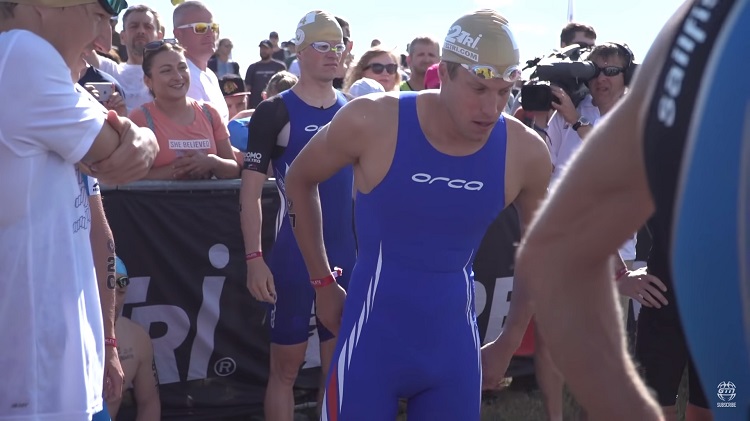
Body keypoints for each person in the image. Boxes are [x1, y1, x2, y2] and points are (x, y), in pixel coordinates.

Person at [284, 9, 551, 420]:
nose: (491, 107)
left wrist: (509, 341)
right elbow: (299, 179)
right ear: (442, 74)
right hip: (370, 345)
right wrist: (322, 283)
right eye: (479, 88)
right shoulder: (374, 119)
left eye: (504, 92)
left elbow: (541, 250)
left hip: (452, 353)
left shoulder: (525, 151)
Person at [503, 0, 750, 420]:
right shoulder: (701, 29)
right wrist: (619, 274)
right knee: (651, 399)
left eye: (611, 71)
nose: (601, 79)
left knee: (717, 406)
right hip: (665, 286)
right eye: (596, 71)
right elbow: (590, 193)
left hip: (724, 297)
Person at [0, 0, 160, 419]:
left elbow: (101, 223)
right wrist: (141, 136)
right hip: (31, 381)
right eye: (98, 15)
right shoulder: (21, 54)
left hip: (52, 371)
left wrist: (106, 342)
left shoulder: (35, 68)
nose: (105, 39)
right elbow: (126, 157)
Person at [240, 10, 356, 421]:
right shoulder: (275, 111)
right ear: (300, 52)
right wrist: (254, 259)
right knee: (285, 368)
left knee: (337, 366)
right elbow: (250, 192)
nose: (332, 53)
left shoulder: (353, 109)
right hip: (294, 258)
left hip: (346, 253)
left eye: (338, 46)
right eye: (322, 45)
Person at [129, 40, 239, 180]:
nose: (178, 76)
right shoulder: (140, 118)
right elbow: (132, 176)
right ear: (148, 81)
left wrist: (212, 162)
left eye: (182, 68)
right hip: (160, 196)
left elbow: (234, 169)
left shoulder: (210, 113)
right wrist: (183, 168)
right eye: (166, 71)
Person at [106, 257, 161, 421]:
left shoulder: (135, 338)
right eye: (107, 290)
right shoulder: (60, 337)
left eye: (120, 292)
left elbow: (149, 403)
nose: (114, 301)